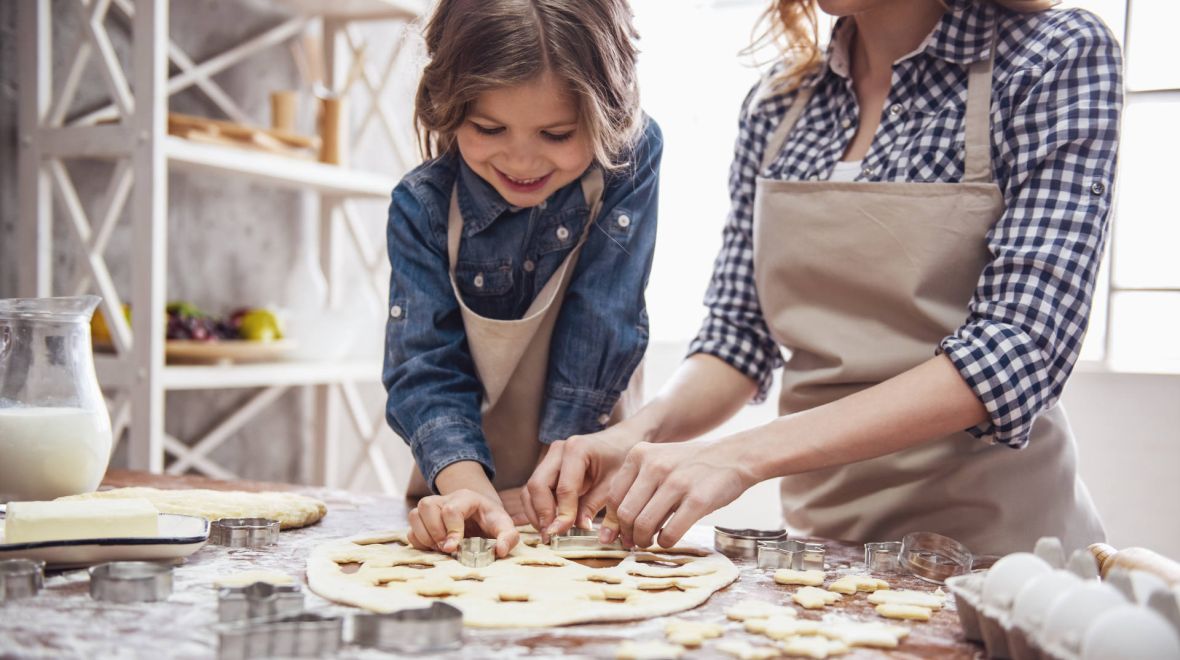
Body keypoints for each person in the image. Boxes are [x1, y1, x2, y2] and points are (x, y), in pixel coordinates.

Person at [525, 0, 1121, 556]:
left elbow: (1016, 353)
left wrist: (738, 456)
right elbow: (739, 335)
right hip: (825, 551)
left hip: (996, 554)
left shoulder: (1053, 56)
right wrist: (637, 434)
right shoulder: (779, 103)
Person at [382, 0, 661, 558]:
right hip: (459, 492)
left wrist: (553, 481)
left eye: (557, 134)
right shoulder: (423, 205)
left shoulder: (627, 162)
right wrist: (471, 492)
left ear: (606, 115)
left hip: (583, 492)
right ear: (449, 107)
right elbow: (425, 366)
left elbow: (602, 320)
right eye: (489, 127)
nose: (522, 159)